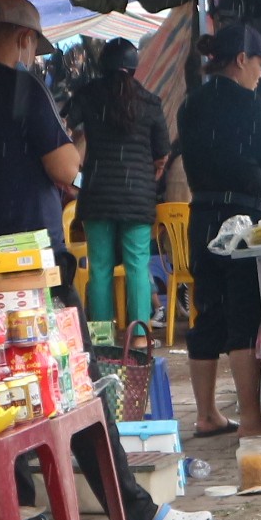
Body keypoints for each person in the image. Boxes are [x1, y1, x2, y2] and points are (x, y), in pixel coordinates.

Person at [0, 0, 210, 520]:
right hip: (34, 270)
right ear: (21, 41)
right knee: (76, 384)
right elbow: (64, 165)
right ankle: (131, 510)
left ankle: (18, 513)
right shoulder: (24, 90)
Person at [177, 24, 261, 438]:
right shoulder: (247, 104)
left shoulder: (190, 105)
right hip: (241, 221)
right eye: (258, 63)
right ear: (240, 60)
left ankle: (206, 415)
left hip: (202, 218)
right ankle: (251, 419)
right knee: (243, 313)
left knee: (208, 311)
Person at [69, 38, 170, 344]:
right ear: (134, 66)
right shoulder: (150, 102)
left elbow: (68, 134)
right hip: (137, 196)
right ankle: (139, 336)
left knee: (99, 267)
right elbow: (161, 154)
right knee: (137, 265)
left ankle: (101, 338)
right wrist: (147, 178)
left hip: (97, 193)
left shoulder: (87, 96)